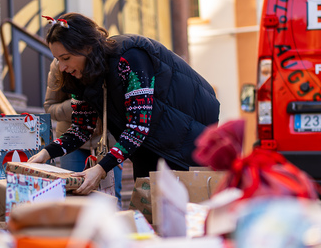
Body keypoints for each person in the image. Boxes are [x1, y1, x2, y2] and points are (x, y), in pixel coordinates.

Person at [29, 13, 220, 194]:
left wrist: (101, 168)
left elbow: (138, 126)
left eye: (66, 58)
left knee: (179, 216)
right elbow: (81, 128)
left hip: (184, 141)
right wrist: (46, 153)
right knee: (150, 211)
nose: (61, 67)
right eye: (57, 60)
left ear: (87, 47)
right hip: (147, 146)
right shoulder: (79, 76)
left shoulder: (130, 57)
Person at [44, 58, 123, 203]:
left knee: (111, 198)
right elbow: (50, 107)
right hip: (71, 140)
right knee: (73, 197)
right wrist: (81, 104)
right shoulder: (60, 66)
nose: (63, 64)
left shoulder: (111, 60)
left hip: (109, 140)